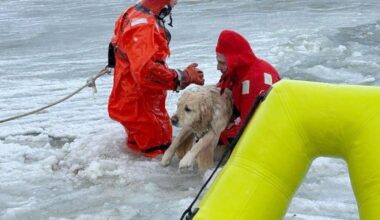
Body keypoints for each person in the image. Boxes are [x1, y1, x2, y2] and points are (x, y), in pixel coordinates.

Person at [107, 0, 204, 158]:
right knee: (159, 154)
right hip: (143, 108)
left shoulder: (132, 12)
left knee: (137, 153)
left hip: (127, 100)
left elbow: (114, 45)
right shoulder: (146, 27)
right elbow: (147, 72)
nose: (176, 3)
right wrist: (183, 77)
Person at [215, 30, 281, 145]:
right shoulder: (235, 72)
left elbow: (249, 129)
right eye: (218, 62)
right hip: (247, 124)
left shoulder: (256, 79)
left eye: (222, 63)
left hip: (271, 136)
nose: (217, 67)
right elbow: (216, 96)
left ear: (234, 60)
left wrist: (217, 134)